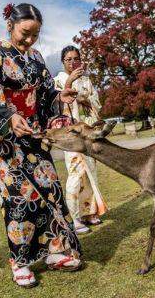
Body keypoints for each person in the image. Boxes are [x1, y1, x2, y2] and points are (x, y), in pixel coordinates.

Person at [0, 3, 82, 288]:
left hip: (33, 134)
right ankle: (20, 262)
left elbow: (46, 92)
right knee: (18, 198)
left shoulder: (35, 57)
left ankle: (55, 250)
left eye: (35, 35)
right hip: (5, 141)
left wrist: (61, 96)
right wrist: (9, 116)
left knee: (50, 189)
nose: (30, 40)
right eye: (25, 33)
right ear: (10, 25)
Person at [54, 46, 107, 234]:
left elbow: (96, 102)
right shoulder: (59, 79)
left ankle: (90, 212)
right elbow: (58, 104)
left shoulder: (87, 80)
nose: (72, 62)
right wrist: (70, 82)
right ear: (63, 61)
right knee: (75, 172)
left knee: (91, 171)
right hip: (72, 134)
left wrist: (86, 99)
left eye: (76, 59)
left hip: (88, 131)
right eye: (68, 59)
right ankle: (74, 217)